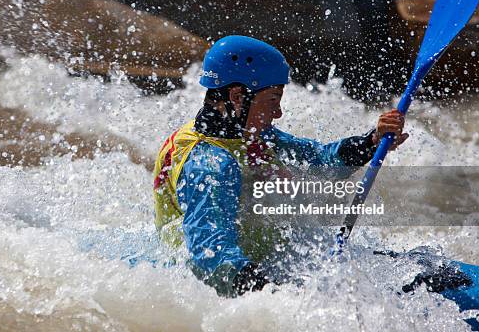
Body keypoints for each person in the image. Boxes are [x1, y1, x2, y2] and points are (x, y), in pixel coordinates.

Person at [152, 35, 408, 297]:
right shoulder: (210, 165)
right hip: (233, 282)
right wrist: (280, 297)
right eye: (272, 100)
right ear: (237, 96)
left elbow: (320, 161)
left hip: (279, 260)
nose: (278, 113)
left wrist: (372, 140)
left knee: (419, 270)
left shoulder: (250, 135)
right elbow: (211, 255)